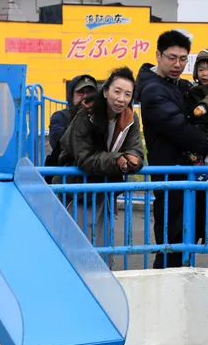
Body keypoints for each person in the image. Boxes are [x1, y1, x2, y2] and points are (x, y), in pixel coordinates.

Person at [135, 30, 208, 269]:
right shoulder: (153, 90)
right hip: (171, 176)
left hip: (187, 173)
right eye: (172, 57)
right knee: (171, 242)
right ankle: (163, 295)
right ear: (158, 55)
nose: (177, 64)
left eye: (183, 59)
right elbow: (179, 127)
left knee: (186, 239)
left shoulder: (180, 86)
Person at [58, 68, 144, 249]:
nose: (121, 99)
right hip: (75, 188)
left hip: (104, 190)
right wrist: (118, 160)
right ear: (105, 92)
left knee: (102, 247)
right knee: (75, 247)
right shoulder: (86, 114)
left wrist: (134, 159)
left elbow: (136, 148)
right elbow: (85, 157)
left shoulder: (130, 118)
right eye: (117, 91)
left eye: (128, 94)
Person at [46, 74, 99, 171]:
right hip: (65, 178)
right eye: (80, 93)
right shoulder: (60, 117)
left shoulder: (101, 118)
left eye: (90, 93)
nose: (85, 97)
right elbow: (61, 144)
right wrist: (82, 114)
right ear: (71, 95)